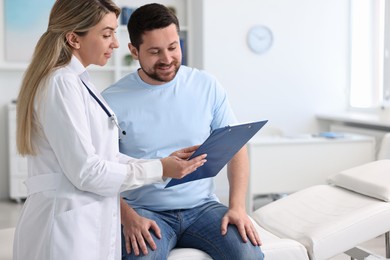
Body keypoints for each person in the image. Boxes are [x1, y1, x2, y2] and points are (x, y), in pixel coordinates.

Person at [13, 1, 207, 260]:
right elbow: (87, 171)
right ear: (74, 38)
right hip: (65, 226)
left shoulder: (79, 82)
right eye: (106, 34)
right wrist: (160, 169)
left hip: (87, 220)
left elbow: (105, 157)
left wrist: (162, 164)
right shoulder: (61, 84)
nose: (115, 43)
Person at [102, 3, 264, 260]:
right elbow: (102, 171)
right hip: (144, 210)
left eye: (173, 47)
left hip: (203, 208)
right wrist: (128, 218)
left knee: (248, 254)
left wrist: (237, 207)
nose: (167, 59)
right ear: (134, 50)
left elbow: (236, 147)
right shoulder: (111, 100)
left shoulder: (206, 85)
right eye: (155, 51)